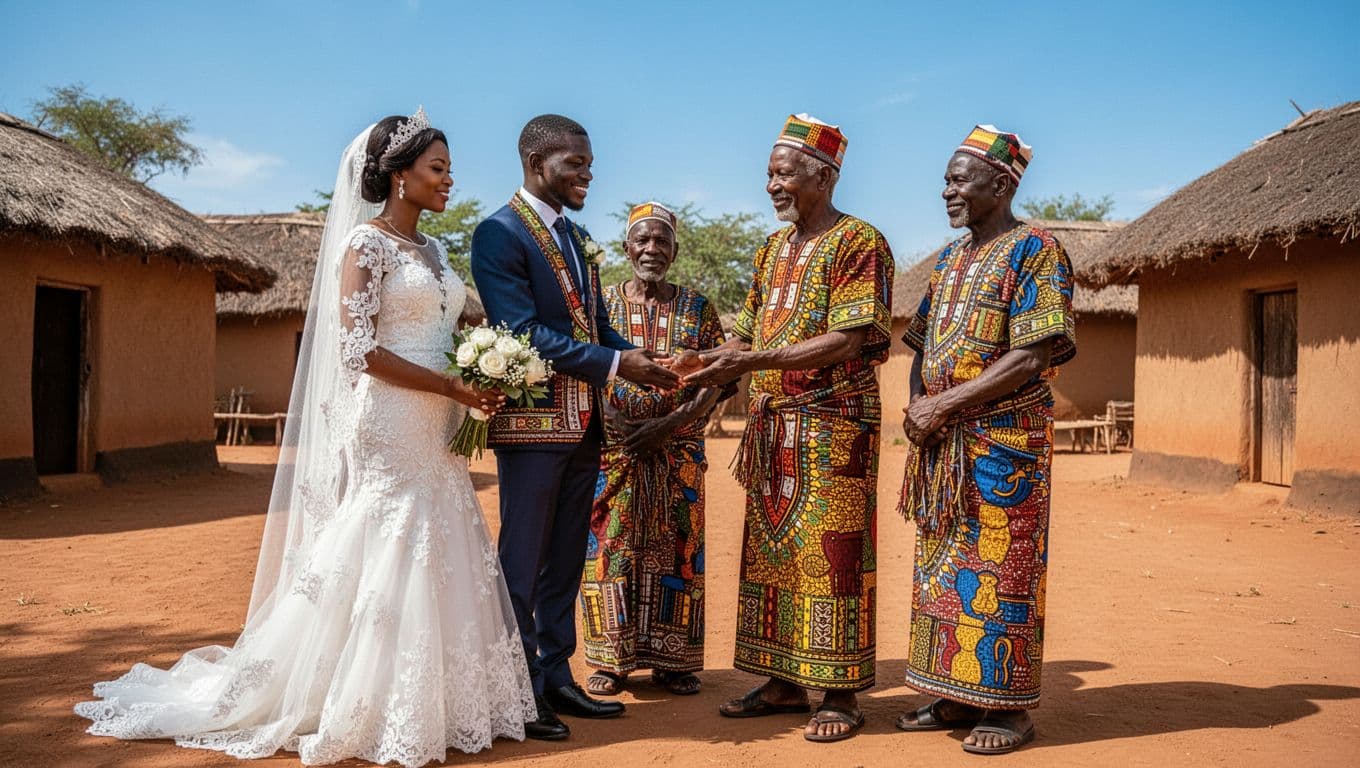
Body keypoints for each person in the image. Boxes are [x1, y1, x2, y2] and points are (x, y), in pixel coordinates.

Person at [74, 109, 538, 766]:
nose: (450, 178)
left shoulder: (434, 252)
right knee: (388, 534)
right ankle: (356, 700)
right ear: (400, 175)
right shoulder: (363, 245)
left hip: (439, 418)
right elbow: (357, 350)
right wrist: (450, 387)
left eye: (449, 168)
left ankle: (440, 700)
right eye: (438, 168)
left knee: (444, 532)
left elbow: (438, 331)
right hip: (390, 416)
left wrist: (473, 368)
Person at [676, 114, 894, 742]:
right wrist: (707, 363)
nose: (770, 184)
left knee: (833, 557)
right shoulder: (772, 249)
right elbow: (746, 330)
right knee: (772, 555)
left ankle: (843, 692)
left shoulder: (860, 243)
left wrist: (753, 361)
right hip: (773, 433)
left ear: (822, 176)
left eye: (782, 172)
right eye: (768, 173)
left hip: (834, 431)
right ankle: (782, 680)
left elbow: (848, 339)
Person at [470, 115, 681, 741]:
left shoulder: (577, 235)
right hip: (533, 426)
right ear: (538, 165)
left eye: (589, 163)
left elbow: (591, 328)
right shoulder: (499, 233)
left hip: (584, 425)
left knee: (565, 561)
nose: (588, 173)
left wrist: (651, 367)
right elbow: (523, 332)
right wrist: (619, 362)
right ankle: (518, 691)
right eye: (575, 164)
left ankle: (557, 675)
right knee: (523, 562)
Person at [895, 125, 1076, 755]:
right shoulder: (949, 260)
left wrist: (944, 403)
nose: (945, 190)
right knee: (942, 570)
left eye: (958, 179)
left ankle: (1007, 708)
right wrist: (921, 401)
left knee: (1001, 569)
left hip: (1004, 448)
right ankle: (951, 692)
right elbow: (919, 344)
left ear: (1000, 184)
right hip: (945, 441)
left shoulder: (1037, 250)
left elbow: (1032, 352)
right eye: (946, 179)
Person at [580, 202, 731, 698]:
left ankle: (674, 659)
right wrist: (615, 422)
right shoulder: (600, 303)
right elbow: (585, 368)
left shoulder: (698, 308)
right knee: (612, 551)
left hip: (678, 453)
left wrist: (672, 425)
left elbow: (719, 380)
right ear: (627, 248)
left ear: (675, 250)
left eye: (661, 241)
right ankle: (612, 659)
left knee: (679, 552)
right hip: (615, 454)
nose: (651, 249)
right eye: (642, 241)